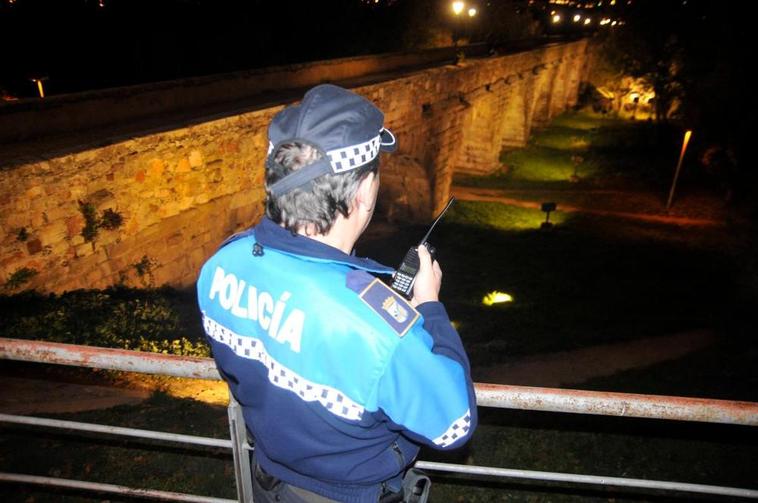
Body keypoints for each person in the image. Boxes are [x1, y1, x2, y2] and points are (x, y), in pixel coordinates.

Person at [197, 84, 477, 503]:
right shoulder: (378, 330)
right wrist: (430, 309)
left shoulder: (221, 264)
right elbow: (452, 424)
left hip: (267, 481)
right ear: (363, 191)